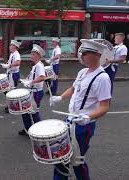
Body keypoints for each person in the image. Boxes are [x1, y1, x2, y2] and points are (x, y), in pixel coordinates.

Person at [50, 39, 111, 180]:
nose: (81, 56)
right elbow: (73, 89)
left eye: (85, 53)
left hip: (84, 126)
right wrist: (60, 98)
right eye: (81, 52)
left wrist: (88, 117)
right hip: (70, 120)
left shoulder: (103, 78)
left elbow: (104, 106)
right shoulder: (82, 72)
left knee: (77, 161)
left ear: (96, 55)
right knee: (61, 158)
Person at [19, 44, 46, 136]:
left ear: (38, 56)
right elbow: (33, 76)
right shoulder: (36, 66)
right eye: (31, 54)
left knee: (33, 112)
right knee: (26, 111)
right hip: (33, 91)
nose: (31, 56)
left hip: (36, 92)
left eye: (33, 54)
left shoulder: (39, 66)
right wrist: (26, 80)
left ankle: (38, 131)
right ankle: (28, 128)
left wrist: (31, 82)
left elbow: (42, 77)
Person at [2, 40, 21, 113]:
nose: (9, 47)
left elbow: (18, 63)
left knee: (11, 91)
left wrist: (9, 65)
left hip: (13, 74)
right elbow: (11, 62)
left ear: (15, 47)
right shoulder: (12, 54)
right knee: (7, 90)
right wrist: (7, 64)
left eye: (11, 45)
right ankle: (11, 105)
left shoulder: (16, 54)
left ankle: (14, 106)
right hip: (10, 73)